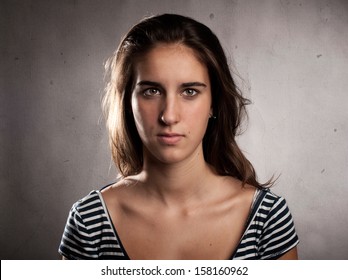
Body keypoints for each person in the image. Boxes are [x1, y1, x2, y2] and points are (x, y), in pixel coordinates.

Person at [59, 13, 299, 260]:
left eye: (190, 91)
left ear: (214, 103)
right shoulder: (89, 223)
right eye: (151, 91)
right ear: (127, 102)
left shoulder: (267, 219)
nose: (169, 116)